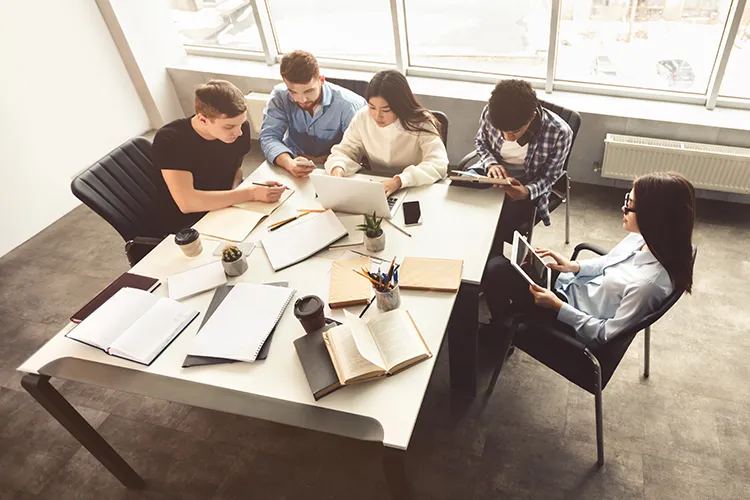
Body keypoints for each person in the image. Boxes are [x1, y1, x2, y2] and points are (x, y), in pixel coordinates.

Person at [483, 172, 695, 345]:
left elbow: (606, 335)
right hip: (573, 287)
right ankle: (506, 321)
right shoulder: (645, 239)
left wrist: (558, 307)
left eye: (630, 204)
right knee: (522, 263)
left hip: (569, 318)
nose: (623, 208)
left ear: (653, 216)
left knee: (496, 268)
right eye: (626, 200)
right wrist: (573, 266)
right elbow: (609, 262)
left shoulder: (646, 286)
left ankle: (503, 331)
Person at [152, 80, 286, 233]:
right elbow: (187, 203)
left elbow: (236, 170)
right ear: (203, 119)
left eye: (241, 123)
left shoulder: (239, 131)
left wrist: (240, 190)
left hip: (225, 206)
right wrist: (249, 193)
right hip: (190, 223)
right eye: (229, 126)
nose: (239, 132)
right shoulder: (170, 140)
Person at [471, 79, 573, 255]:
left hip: (528, 182)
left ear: (532, 116)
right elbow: (481, 142)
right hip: (490, 172)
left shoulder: (559, 132)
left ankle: (490, 266)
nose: (508, 138)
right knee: (459, 198)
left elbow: (550, 176)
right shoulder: (491, 113)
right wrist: (491, 163)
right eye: (502, 131)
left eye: (514, 132)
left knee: (496, 226)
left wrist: (526, 191)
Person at [324, 70, 448, 196]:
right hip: (377, 186)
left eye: (386, 110)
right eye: (372, 107)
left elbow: (438, 162)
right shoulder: (363, 116)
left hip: (413, 188)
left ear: (400, 105)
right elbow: (345, 151)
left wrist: (399, 180)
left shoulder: (420, 122)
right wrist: (338, 170)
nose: (378, 116)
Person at [259, 50, 366, 178]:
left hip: (335, 169)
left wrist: (329, 160)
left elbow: (355, 149)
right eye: (293, 92)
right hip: (291, 164)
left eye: (309, 91)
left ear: (321, 80)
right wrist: (289, 163)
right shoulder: (279, 97)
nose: (302, 99)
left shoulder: (349, 105)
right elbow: (268, 137)